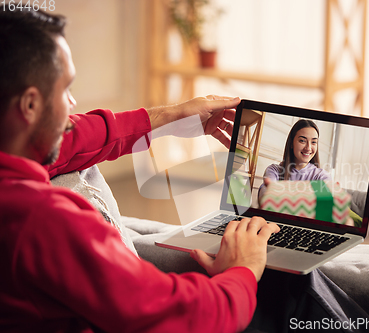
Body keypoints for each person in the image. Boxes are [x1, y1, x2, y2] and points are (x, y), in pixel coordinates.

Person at [0, 9, 280, 332]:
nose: (73, 103)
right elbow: (183, 315)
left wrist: (168, 117)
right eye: (65, 90)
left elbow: (78, 138)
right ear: (30, 106)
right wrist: (244, 269)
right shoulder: (41, 221)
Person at [258, 119, 331, 201]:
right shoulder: (274, 171)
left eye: (313, 142)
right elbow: (266, 195)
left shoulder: (321, 176)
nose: (308, 148)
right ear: (292, 143)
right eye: (302, 141)